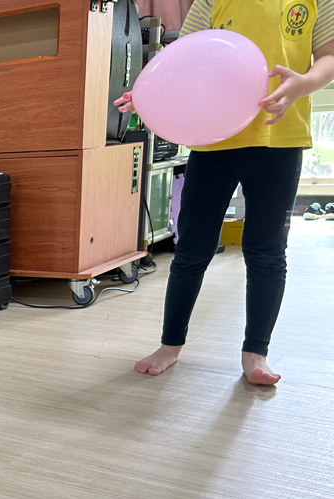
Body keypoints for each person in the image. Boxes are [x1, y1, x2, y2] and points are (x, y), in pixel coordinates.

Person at [117, 0, 334, 385]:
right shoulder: (212, 0)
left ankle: (256, 353)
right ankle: (170, 345)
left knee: (267, 252)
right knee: (191, 250)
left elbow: (329, 57)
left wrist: (304, 83)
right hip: (213, 140)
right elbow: (183, 60)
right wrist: (150, 95)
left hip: (280, 141)